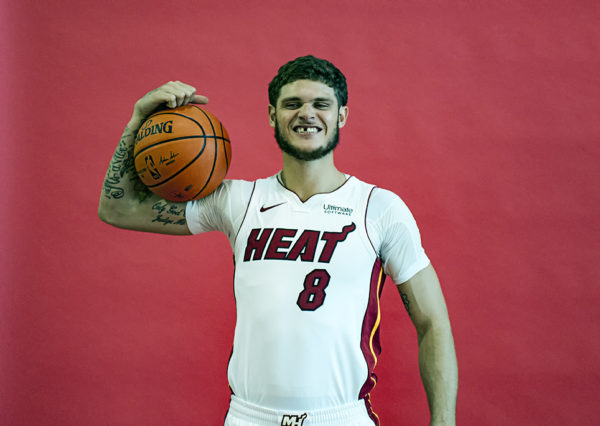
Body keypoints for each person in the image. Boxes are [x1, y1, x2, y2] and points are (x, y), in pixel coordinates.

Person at [98, 55, 458, 426]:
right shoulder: (237, 201)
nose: (307, 113)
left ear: (342, 116)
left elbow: (434, 322)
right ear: (272, 115)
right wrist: (138, 120)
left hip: (340, 417)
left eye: (321, 104)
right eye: (292, 104)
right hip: (249, 417)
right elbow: (118, 209)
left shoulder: (379, 208)